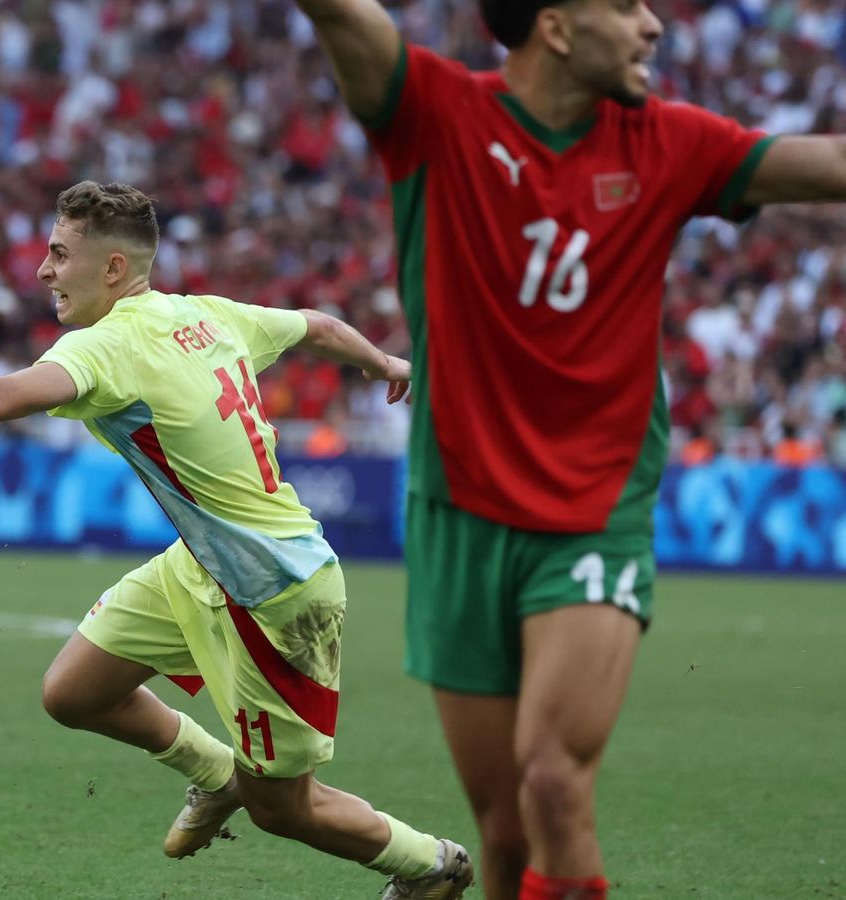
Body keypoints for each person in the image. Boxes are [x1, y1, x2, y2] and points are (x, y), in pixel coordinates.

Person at [285, 0, 846, 897]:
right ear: (554, 25)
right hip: (460, 512)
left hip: (595, 511)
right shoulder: (435, 114)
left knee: (552, 778)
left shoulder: (672, 141)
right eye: (625, 5)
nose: (652, 24)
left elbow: (830, 164)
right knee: (504, 835)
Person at [0, 181, 475, 898]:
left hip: (276, 593)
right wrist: (384, 362)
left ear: (113, 268)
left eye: (60, 254)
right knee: (74, 693)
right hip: (203, 566)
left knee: (283, 809)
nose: (44, 270)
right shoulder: (205, 314)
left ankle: (432, 865)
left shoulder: (112, 345)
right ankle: (215, 775)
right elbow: (317, 327)